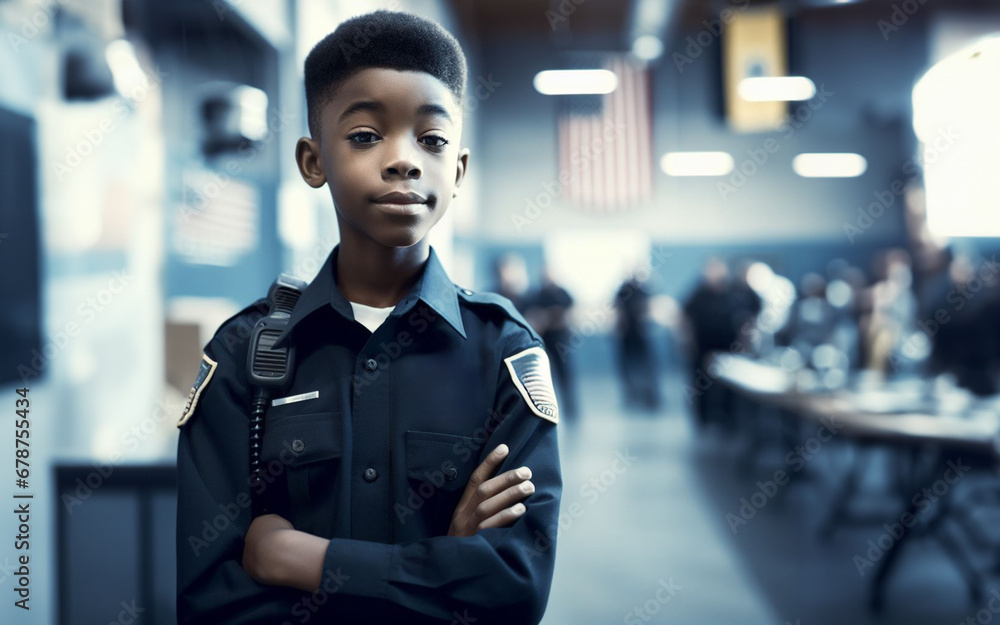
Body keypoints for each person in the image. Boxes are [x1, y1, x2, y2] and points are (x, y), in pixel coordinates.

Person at [175, 11, 562, 624]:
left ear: (457, 172)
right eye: (364, 135)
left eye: (432, 140)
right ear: (312, 161)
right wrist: (444, 562)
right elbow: (211, 602)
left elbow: (513, 593)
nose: (404, 160)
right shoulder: (244, 355)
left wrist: (306, 559)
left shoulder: (503, 354)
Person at [526, 265, 577, 423]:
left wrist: (555, 317)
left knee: (565, 376)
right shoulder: (538, 295)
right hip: (544, 341)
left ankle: (571, 409)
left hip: (562, 341)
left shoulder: (563, 293)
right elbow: (532, 315)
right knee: (544, 376)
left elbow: (571, 313)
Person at [613, 271, 661, 411]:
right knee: (628, 369)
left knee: (647, 367)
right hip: (627, 336)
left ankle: (650, 396)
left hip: (641, 334)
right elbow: (618, 311)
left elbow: (648, 309)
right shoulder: (622, 291)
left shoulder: (643, 290)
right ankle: (633, 396)